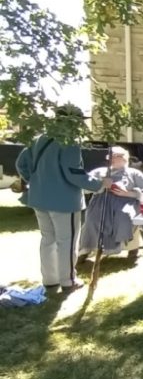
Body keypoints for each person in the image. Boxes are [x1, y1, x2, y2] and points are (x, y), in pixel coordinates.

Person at [15, 104, 111, 293]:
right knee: (66, 241)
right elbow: (74, 173)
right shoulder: (69, 141)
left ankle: (50, 280)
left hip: (38, 198)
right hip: (64, 200)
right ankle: (68, 281)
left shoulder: (38, 139)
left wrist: (35, 181)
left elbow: (21, 164)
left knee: (47, 239)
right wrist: (99, 184)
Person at [77, 146, 143, 263]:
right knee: (92, 219)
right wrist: (100, 185)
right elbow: (85, 187)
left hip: (127, 203)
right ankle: (86, 249)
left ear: (124, 158)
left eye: (116, 156)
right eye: (110, 157)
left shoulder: (135, 173)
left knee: (124, 216)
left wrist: (128, 193)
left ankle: (132, 248)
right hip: (101, 203)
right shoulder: (99, 172)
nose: (112, 159)